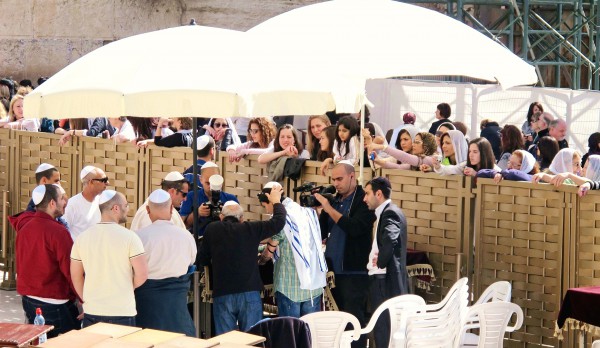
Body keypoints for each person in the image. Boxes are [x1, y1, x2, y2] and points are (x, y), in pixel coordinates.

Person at [197, 186, 286, 334]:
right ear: (242, 218)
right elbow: (278, 222)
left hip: (223, 292)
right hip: (249, 292)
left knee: (226, 342)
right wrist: (276, 201)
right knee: (252, 339)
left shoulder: (212, 229)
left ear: (221, 217)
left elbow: (203, 258)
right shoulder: (250, 228)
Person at [316, 161, 376, 348]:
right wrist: (317, 212)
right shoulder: (334, 199)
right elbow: (321, 231)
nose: (336, 183)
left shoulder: (363, 200)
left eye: (340, 179)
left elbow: (355, 228)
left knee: (354, 319)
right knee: (336, 319)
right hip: (333, 272)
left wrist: (329, 209)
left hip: (354, 271)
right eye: (333, 179)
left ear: (352, 176)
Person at [70, 190, 148, 327]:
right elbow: (142, 275)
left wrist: (87, 300)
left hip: (92, 310)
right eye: (126, 205)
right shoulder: (130, 237)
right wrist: (125, 288)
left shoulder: (82, 238)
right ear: (116, 208)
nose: (128, 208)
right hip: (122, 311)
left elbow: (76, 276)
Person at [11, 184, 80, 337]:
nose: (65, 201)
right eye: (62, 198)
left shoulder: (25, 227)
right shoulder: (58, 231)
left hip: (29, 299)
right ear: (52, 203)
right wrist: (84, 298)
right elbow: (71, 271)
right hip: (55, 303)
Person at [259, 182, 327, 318]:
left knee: (291, 334)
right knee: (310, 334)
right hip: (313, 284)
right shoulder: (307, 213)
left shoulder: (282, 220)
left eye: (265, 205)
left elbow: (269, 251)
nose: (266, 210)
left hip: (289, 286)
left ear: (270, 200)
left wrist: (261, 259)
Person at [135, 189, 197, 336]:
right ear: (171, 209)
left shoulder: (138, 237)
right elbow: (191, 261)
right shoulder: (186, 236)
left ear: (148, 209)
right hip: (177, 306)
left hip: (146, 305)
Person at [363, 177, 409, 348]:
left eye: (367, 194)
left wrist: (380, 261)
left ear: (379, 194)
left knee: (384, 332)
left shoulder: (390, 212)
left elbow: (390, 238)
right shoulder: (388, 211)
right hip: (383, 280)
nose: (364, 198)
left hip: (384, 282)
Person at [180, 161, 239, 238]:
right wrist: (197, 213)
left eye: (214, 183)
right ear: (200, 179)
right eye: (208, 183)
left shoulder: (231, 200)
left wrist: (226, 215)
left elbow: (239, 226)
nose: (211, 187)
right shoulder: (191, 197)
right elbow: (183, 225)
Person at [63, 166, 108, 240]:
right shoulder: (72, 205)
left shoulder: (102, 202)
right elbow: (63, 232)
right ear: (91, 182)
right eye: (104, 180)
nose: (107, 183)